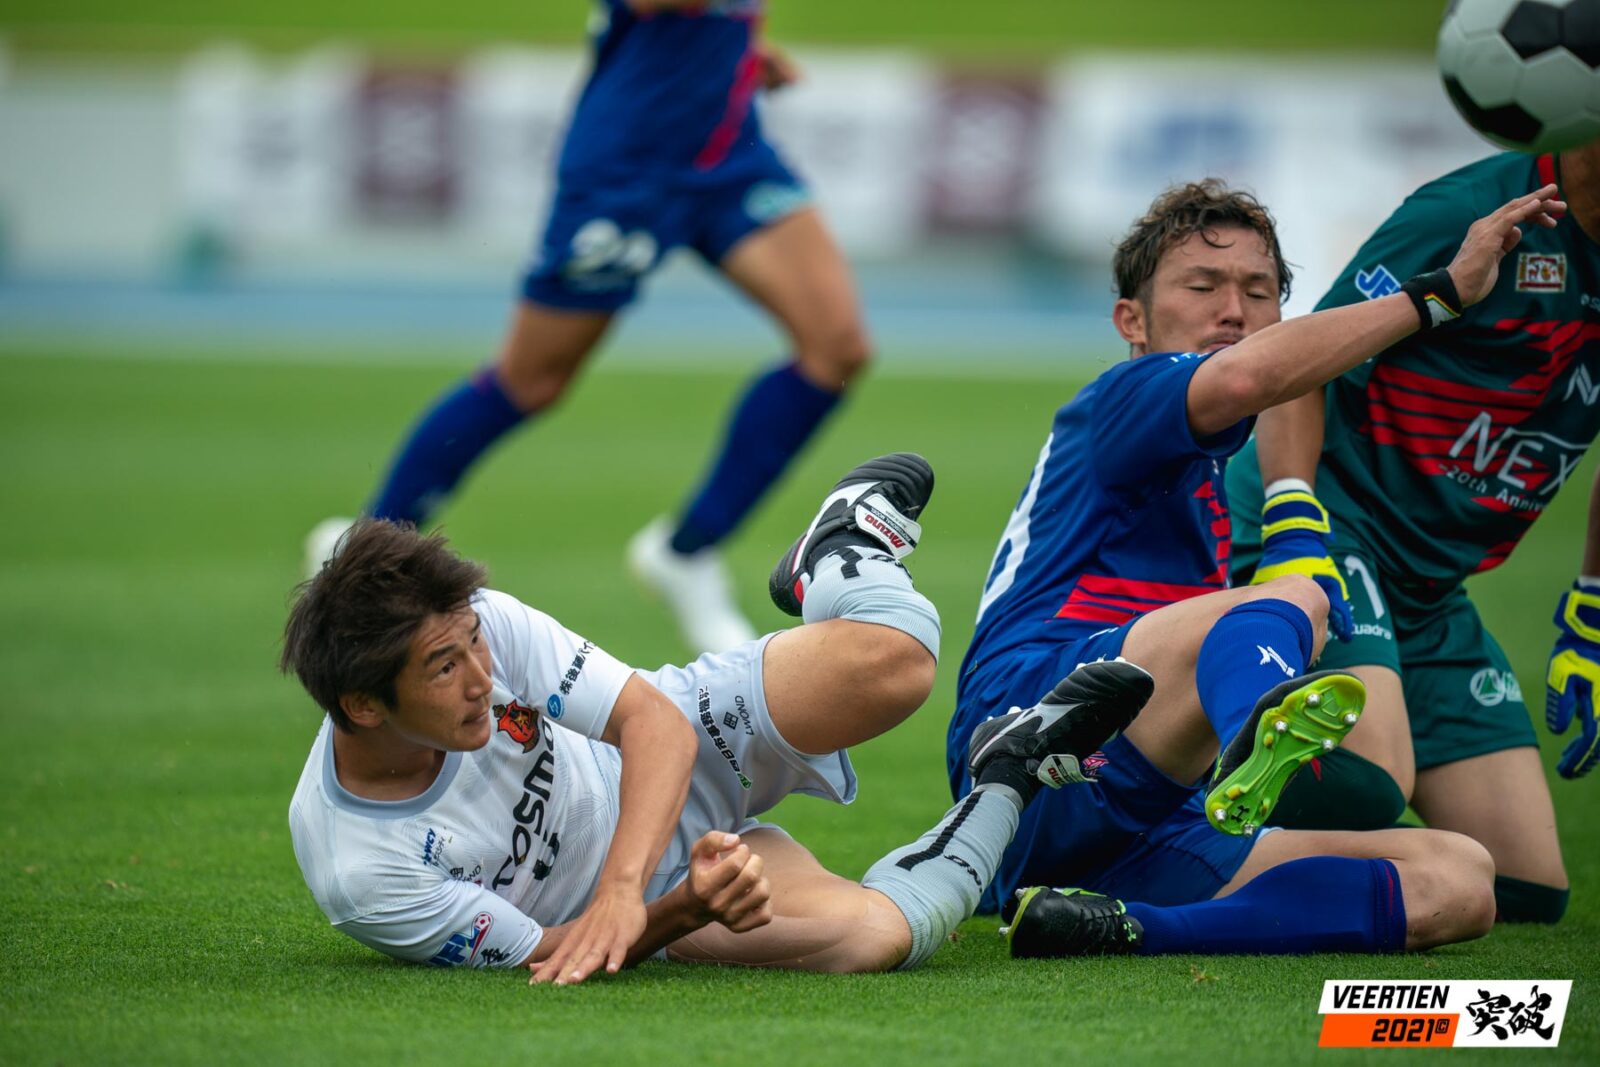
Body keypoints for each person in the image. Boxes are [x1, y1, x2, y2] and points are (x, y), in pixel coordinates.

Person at [947, 178, 1564, 957]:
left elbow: (1267, 387)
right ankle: (1256, 740)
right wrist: (1435, 297)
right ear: (1131, 321)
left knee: (1462, 876)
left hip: (1142, 808)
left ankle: (1119, 926)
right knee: (1295, 595)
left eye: (1259, 292)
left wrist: (1290, 515)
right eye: (1202, 286)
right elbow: (1250, 379)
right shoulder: (1126, 396)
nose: (1233, 310)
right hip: (1028, 740)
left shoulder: (1212, 465)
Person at [283, 453, 1155, 981]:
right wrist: (683, 904)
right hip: (665, 897)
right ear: (362, 703)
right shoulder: (364, 869)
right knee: (877, 938)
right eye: (446, 668)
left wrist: (619, 884)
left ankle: (837, 554)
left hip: (669, 748)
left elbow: (652, 722)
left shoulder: (474, 618)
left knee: (896, 663)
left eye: (475, 645)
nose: (483, 677)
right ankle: (1010, 772)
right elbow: (551, 951)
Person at [306, 0, 872, 655]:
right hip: (627, 167)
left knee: (836, 347)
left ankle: (688, 550)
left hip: (725, 150)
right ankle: (368, 541)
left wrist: (730, 50)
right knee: (531, 380)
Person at [1226, 140, 1600, 926]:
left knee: (1529, 887)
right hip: (1337, 521)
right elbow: (1303, 361)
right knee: (1374, 782)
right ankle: (1158, 821)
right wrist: (1294, 523)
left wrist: (1593, 606)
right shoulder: (1467, 211)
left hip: (1430, 586)